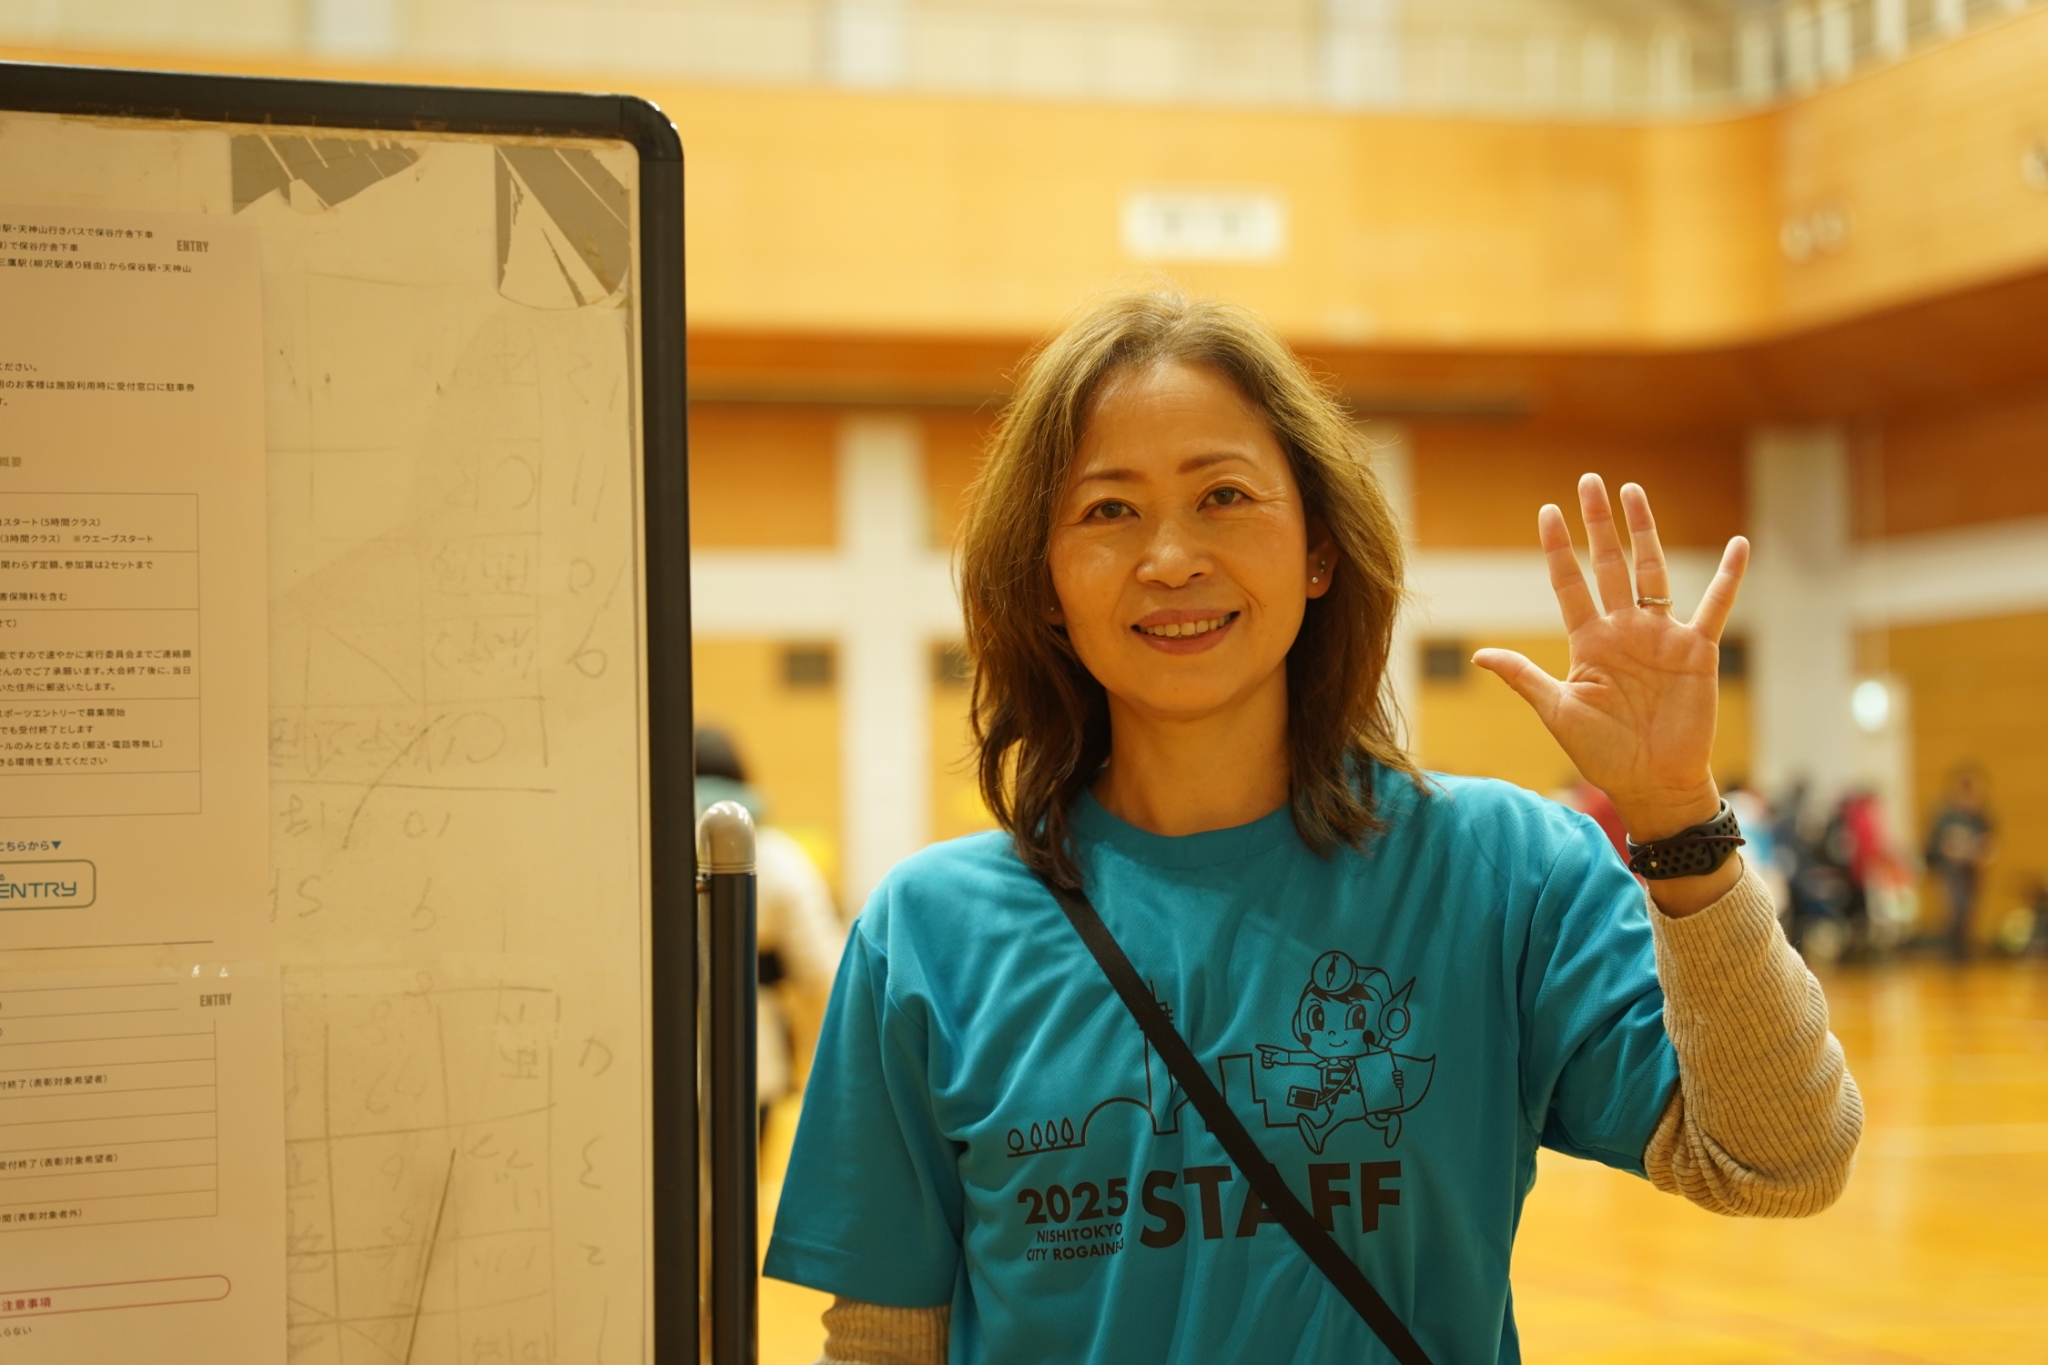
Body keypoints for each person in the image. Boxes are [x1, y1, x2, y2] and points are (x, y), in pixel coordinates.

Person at [765, 292, 1860, 1364]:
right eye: (1107, 511)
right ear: (1045, 582)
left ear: (1319, 551)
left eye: (1224, 496)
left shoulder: (1501, 872)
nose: (1170, 558)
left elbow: (1783, 1158)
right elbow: (882, 1341)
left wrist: (1673, 815)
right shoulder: (929, 935)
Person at [695, 725, 845, 1131]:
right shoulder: (778, 858)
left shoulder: (642, 854)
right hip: (750, 1056)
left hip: (653, 1061)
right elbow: (825, 974)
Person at [1924, 768, 1994, 960]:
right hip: (1950, 873)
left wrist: (1983, 856)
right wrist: (1945, 854)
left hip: (1971, 873)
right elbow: (1932, 846)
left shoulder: (1980, 816)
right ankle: (1951, 953)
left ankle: (1962, 953)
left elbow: (1989, 843)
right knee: (1953, 912)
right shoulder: (1945, 816)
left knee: (1967, 914)